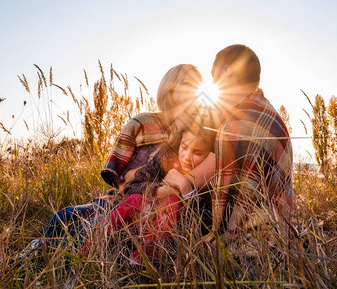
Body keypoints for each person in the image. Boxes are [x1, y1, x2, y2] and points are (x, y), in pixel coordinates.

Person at [43, 64, 203, 248]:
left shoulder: (198, 132)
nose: (192, 91)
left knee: (86, 233)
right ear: (170, 88)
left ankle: (45, 253)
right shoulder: (142, 123)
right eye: (186, 84)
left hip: (154, 208)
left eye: (196, 86)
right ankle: (42, 250)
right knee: (60, 218)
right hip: (123, 198)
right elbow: (120, 180)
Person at [164, 45, 293, 248]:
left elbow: (190, 181)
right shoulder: (268, 114)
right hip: (278, 240)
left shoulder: (240, 124)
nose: (213, 82)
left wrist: (150, 191)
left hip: (248, 248)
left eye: (213, 75)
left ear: (226, 72)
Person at [86, 119, 215, 264]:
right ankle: (89, 251)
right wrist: (158, 192)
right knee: (136, 199)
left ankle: (139, 265)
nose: (186, 156)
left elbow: (204, 223)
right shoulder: (166, 158)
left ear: (210, 154)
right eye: (184, 147)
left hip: (170, 238)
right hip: (138, 219)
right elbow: (132, 186)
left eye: (197, 152)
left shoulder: (211, 177)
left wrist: (186, 188)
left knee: (173, 202)